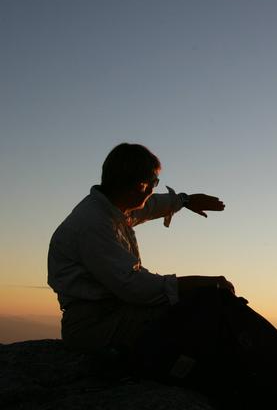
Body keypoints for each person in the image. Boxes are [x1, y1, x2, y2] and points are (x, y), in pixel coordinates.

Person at [47, 142, 233, 360]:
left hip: (112, 313)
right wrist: (197, 283)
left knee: (206, 306)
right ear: (139, 185)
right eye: (153, 182)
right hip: (95, 326)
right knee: (202, 309)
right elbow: (134, 287)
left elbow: (150, 205)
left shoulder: (113, 208)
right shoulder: (94, 224)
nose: (154, 188)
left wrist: (185, 200)